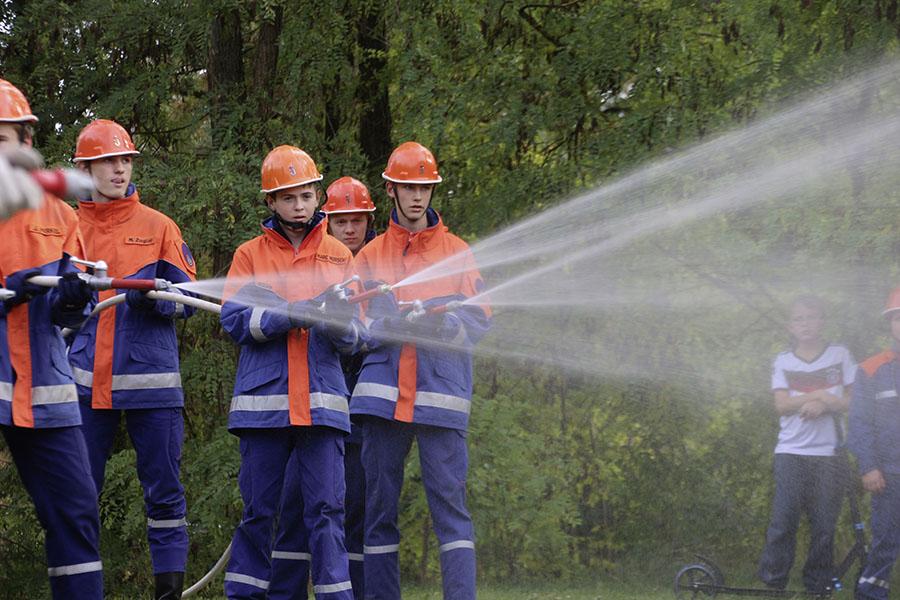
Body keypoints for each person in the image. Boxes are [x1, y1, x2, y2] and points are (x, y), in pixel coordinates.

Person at [350, 142, 491, 600]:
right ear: (391, 190)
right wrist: (382, 322)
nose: (417, 197)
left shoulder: (457, 251)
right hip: (381, 398)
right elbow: (351, 326)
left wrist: (445, 322)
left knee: (451, 510)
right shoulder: (369, 256)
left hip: (439, 396)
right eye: (409, 188)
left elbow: (479, 318)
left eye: (425, 188)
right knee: (378, 511)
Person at [220, 145, 361, 600]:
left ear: (318, 195)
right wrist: (289, 315)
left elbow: (359, 336)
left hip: (322, 409)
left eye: (306, 196)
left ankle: (336, 596)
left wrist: (339, 321)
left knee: (326, 511)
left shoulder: (341, 256)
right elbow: (234, 321)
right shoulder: (249, 256)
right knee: (259, 512)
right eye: (288, 198)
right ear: (271, 203)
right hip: (264, 409)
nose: (299, 206)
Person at [67, 119, 197, 600]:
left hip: (152, 383)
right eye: (108, 161)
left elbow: (189, 301)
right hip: (82, 385)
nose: (119, 169)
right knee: (77, 497)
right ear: (85, 167)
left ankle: (167, 592)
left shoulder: (159, 226)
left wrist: (160, 299)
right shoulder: (67, 228)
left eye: (125, 160)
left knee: (164, 494)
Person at [0, 78, 103, 598]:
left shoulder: (61, 215)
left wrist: (71, 300)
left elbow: (74, 317)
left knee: (76, 513)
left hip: (45, 389)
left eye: (6, 137)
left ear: (26, 140)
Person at [269, 176, 377, 600]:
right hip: (309, 407)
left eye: (357, 221)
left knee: (349, 512)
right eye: (341, 221)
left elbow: (366, 334)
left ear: (370, 221)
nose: (350, 229)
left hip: (355, 412)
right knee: (294, 508)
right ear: (325, 219)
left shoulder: (368, 269)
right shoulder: (312, 264)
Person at [757, 295, 854, 593]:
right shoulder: (783, 360)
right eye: (799, 319)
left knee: (824, 526)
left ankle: (817, 588)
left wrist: (826, 404)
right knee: (783, 522)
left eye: (811, 317)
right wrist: (820, 397)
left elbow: (851, 401)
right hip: (791, 453)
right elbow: (781, 405)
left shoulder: (840, 355)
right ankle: (773, 586)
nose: (805, 324)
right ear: (790, 325)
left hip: (830, 455)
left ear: (822, 321)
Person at [849, 286, 900, 600]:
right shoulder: (871, 370)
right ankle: (870, 596)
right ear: (891, 324)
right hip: (889, 477)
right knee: (884, 543)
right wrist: (868, 466)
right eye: (898, 318)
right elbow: (859, 424)